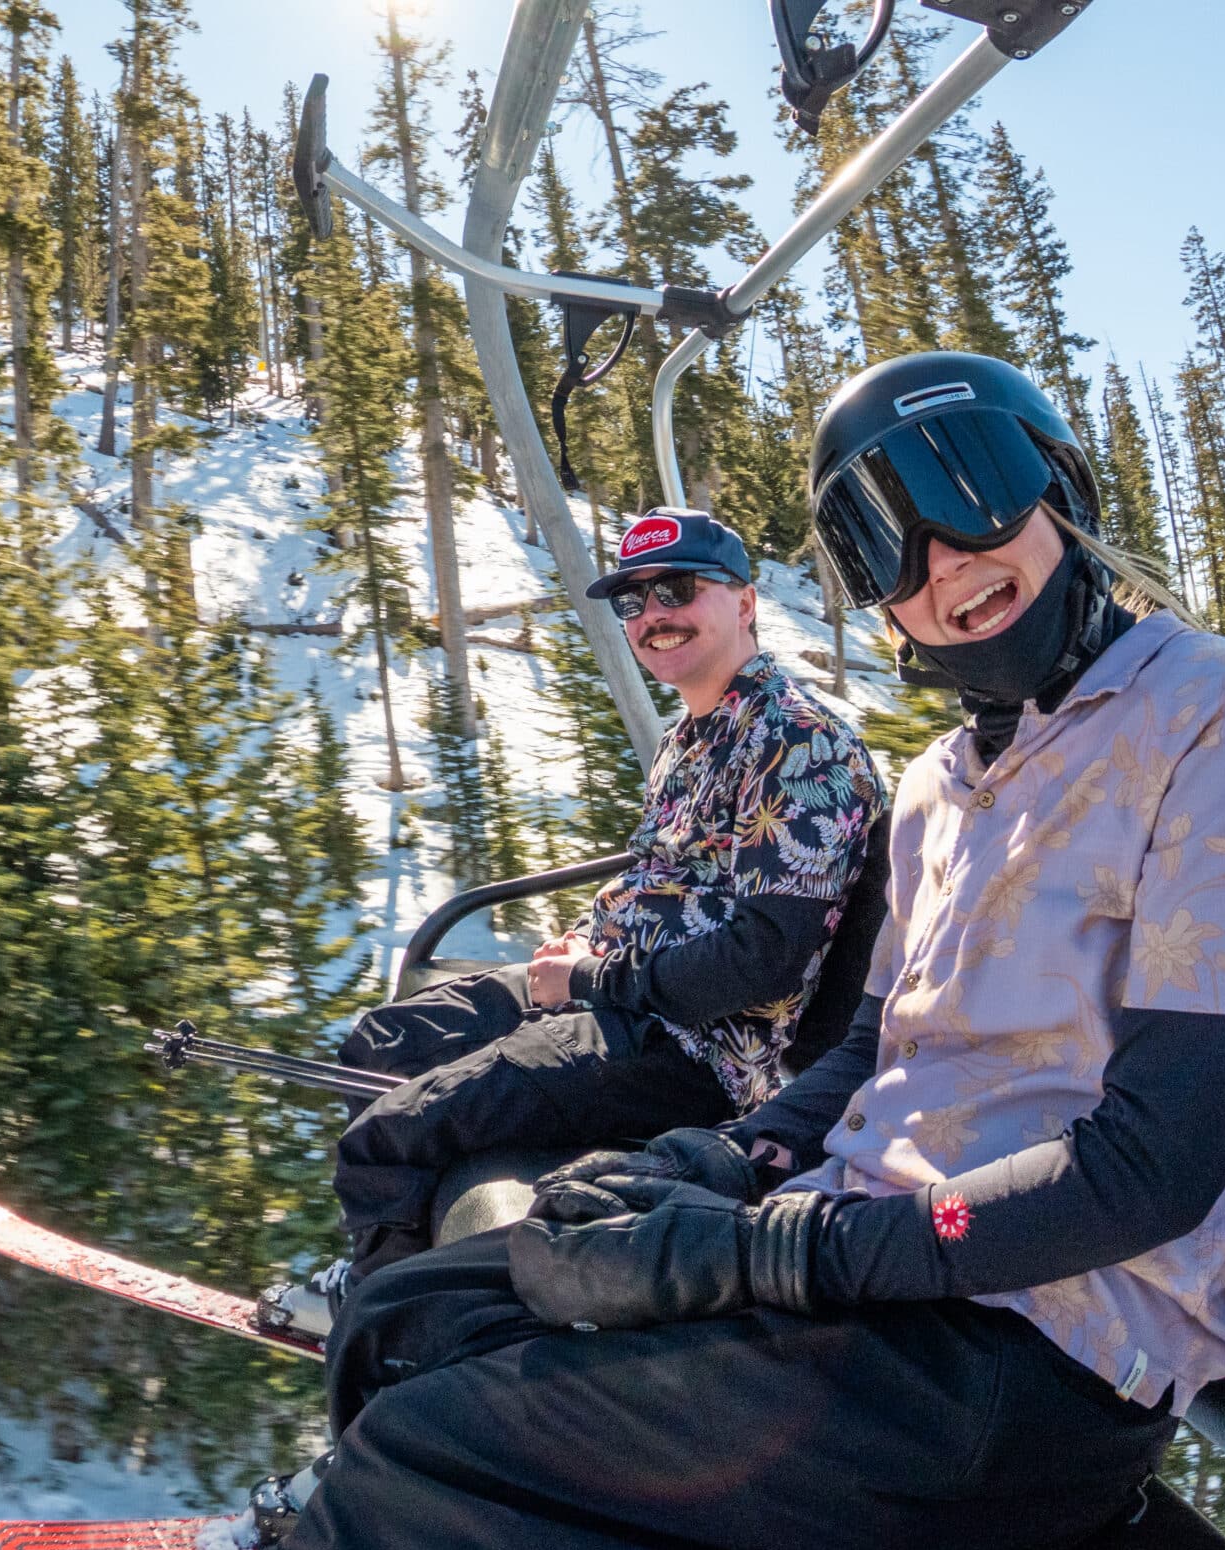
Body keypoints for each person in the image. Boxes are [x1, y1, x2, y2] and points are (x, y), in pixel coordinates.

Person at [170, 352, 1225, 1550]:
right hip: (875, 1284)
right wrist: (723, 1166)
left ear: (1063, 485)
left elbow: (1148, 1171)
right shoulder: (950, 785)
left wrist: (761, 1250)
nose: (948, 557)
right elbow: (868, 1053)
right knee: (422, 1317)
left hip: (1026, 1365)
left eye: (974, 489)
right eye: (887, 534)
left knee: (430, 1467)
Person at [261, 507, 884, 1338]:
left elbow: (763, 960)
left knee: (392, 1133)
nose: (654, 614)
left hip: (695, 1051)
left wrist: (591, 977)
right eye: (634, 600)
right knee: (381, 1044)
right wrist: (589, 938)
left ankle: (391, 1333)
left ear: (744, 601)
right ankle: (395, 1284)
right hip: (618, 997)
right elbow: (659, 877)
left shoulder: (801, 745)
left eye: (676, 588)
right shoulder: (690, 739)